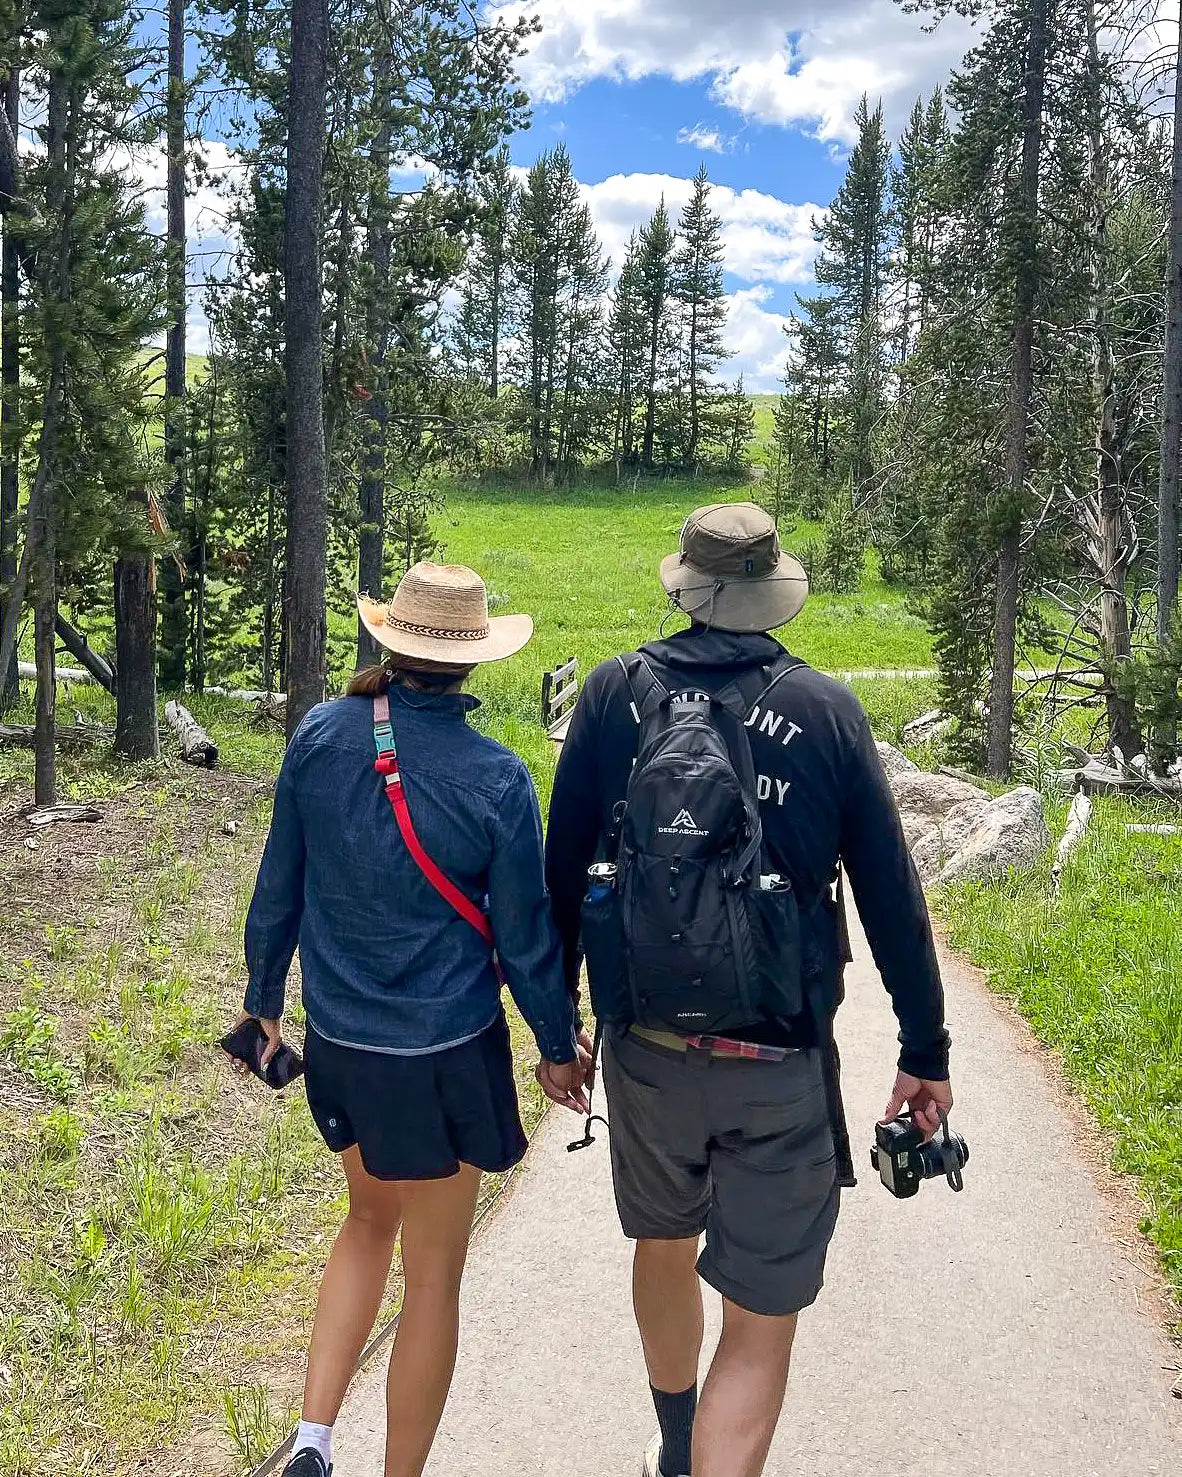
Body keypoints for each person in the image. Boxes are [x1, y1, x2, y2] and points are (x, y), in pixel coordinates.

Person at [545, 503, 953, 1477]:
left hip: (646, 1046)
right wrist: (924, 1051)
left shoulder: (611, 696)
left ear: (686, 585)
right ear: (772, 593)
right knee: (761, 1320)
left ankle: (677, 1439)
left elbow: (562, 873)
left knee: (660, 1235)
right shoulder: (825, 711)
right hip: (780, 1051)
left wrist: (558, 1029)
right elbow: (891, 893)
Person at [227, 562, 589, 1477]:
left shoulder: (318, 736)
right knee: (431, 1280)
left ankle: (312, 1442)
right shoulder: (499, 780)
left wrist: (262, 1003)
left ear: (390, 641)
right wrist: (555, 1046)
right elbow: (525, 938)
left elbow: (279, 887)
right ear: (471, 662)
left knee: (363, 1222)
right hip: (446, 1058)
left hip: (343, 1047)